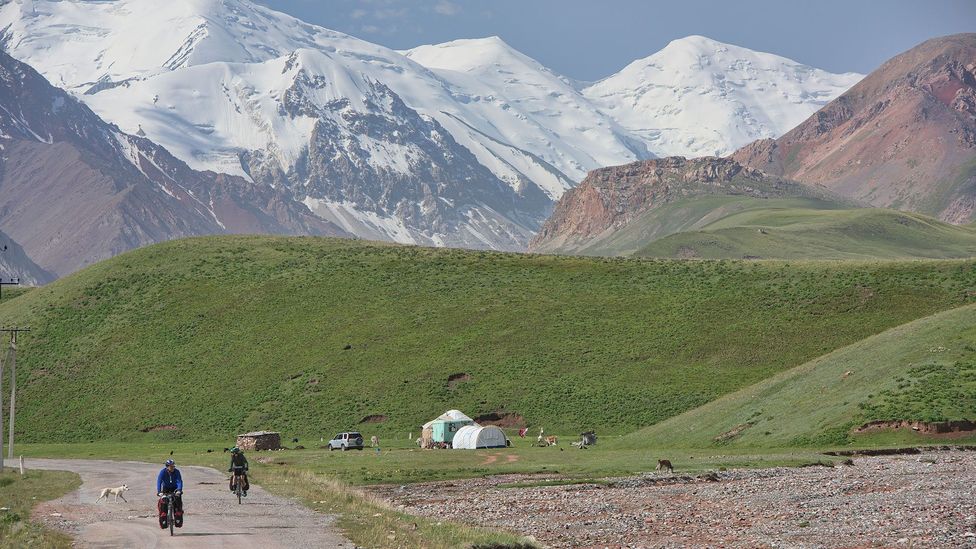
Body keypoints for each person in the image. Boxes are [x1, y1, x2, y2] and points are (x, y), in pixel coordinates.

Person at [156, 459, 184, 529]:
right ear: (167, 467)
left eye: (173, 466)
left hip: (175, 488)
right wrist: (159, 492)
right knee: (164, 501)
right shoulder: (163, 472)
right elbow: (159, 482)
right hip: (166, 489)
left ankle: (178, 514)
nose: (172, 468)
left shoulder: (177, 472)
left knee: (177, 499)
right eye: (171, 466)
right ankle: (164, 515)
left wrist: (179, 490)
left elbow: (179, 481)